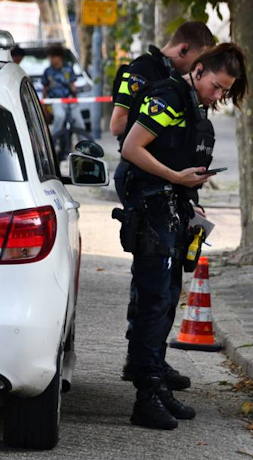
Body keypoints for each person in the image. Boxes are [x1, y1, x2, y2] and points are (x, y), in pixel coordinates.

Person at [118, 43, 248, 430]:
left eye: (225, 90)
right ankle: (145, 396)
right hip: (150, 211)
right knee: (153, 301)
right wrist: (176, 179)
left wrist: (190, 198)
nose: (219, 95)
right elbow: (130, 147)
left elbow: (179, 157)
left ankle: (157, 385)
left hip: (172, 210)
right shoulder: (168, 97)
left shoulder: (193, 104)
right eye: (217, 85)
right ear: (199, 68)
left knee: (167, 300)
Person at [110, 21, 215, 390]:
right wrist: (165, 161)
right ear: (185, 51)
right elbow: (119, 126)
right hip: (145, 179)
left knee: (167, 284)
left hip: (170, 184)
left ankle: (153, 360)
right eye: (199, 63)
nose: (198, 73)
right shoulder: (143, 71)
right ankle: (142, 365)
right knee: (152, 281)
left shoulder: (181, 84)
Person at [42, 44, 85, 136]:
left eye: (53, 57)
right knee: (59, 116)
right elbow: (45, 88)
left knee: (78, 120)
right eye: (50, 57)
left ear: (60, 57)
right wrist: (44, 104)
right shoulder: (48, 71)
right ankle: (54, 141)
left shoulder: (68, 69)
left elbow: (73, 85)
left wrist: (75, 95)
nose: (52, 59)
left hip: (69, 99)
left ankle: (84, 145)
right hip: (55, 100)